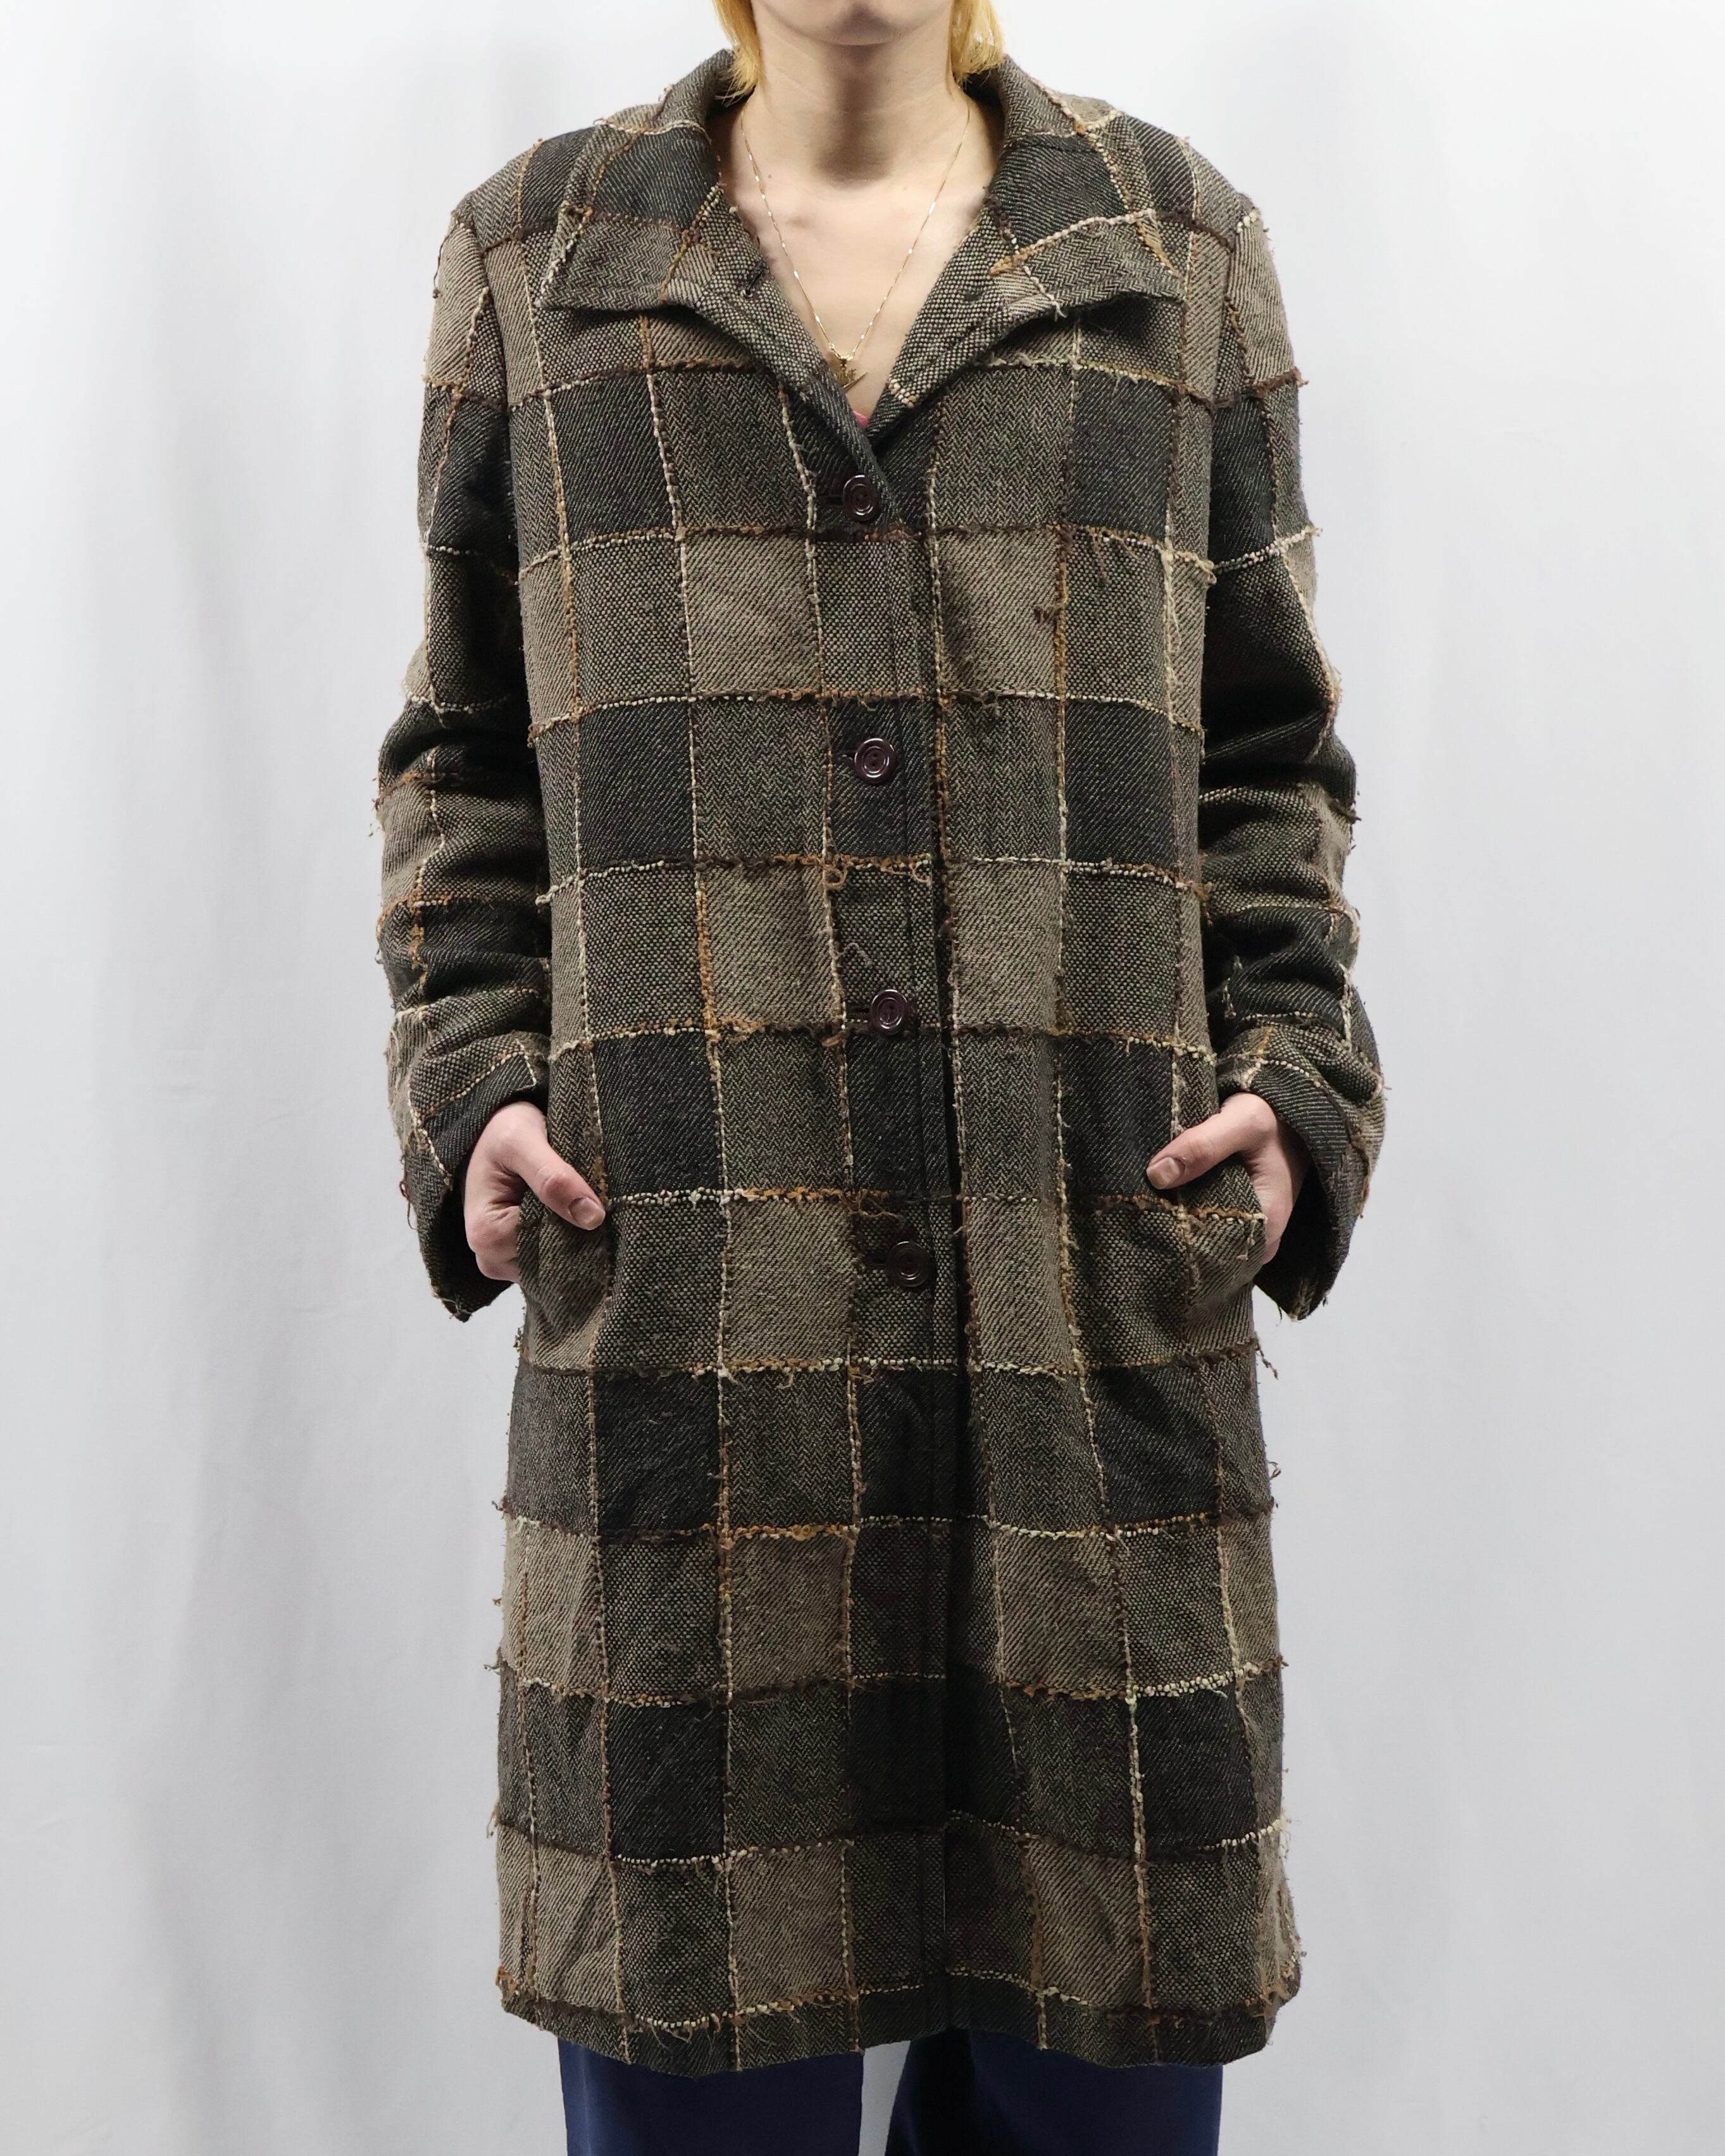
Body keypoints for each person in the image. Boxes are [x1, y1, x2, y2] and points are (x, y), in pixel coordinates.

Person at [375, 1, 1385, 2148]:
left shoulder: (1167, 245)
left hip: (1084, 1335)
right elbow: (465, 756)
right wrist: (477, 1083)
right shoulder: (544, 257)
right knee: (696, 2073)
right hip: (697, 1355)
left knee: (1100, 2064)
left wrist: (1294, 1083)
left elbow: (1269, 753)